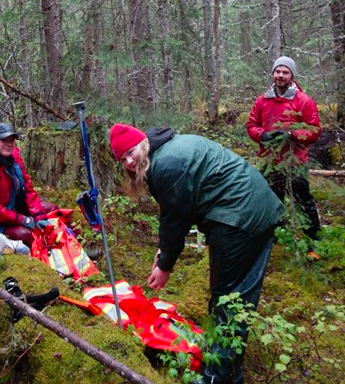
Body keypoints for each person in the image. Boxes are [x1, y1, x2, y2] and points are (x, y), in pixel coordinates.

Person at [109, 123, 285, 384]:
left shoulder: (167, 164)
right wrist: (164, 251)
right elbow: (182, 208)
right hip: (250, 208)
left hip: (239, 215)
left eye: (131, 152)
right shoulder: (166, 151)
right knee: (235, 294)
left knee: (229, 297)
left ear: (142, 144)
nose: (130, 161)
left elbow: (175, 218)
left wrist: (164, 265)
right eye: (123, 158)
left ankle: (218, 376)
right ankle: (228, 367)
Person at [247, 56, 322, 259]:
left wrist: (292, 135)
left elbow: (314, 130)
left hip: (295, 161)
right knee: (271, 202)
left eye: (285, 72)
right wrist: (262, 135)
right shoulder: (263, 100)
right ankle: (273, 239)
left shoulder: (303, 101)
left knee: (303, 202)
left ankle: (313, 242)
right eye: (277, 71)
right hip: (269, 161)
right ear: (273, 74)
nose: (280, 75)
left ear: (291, 76)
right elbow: (251, 125)